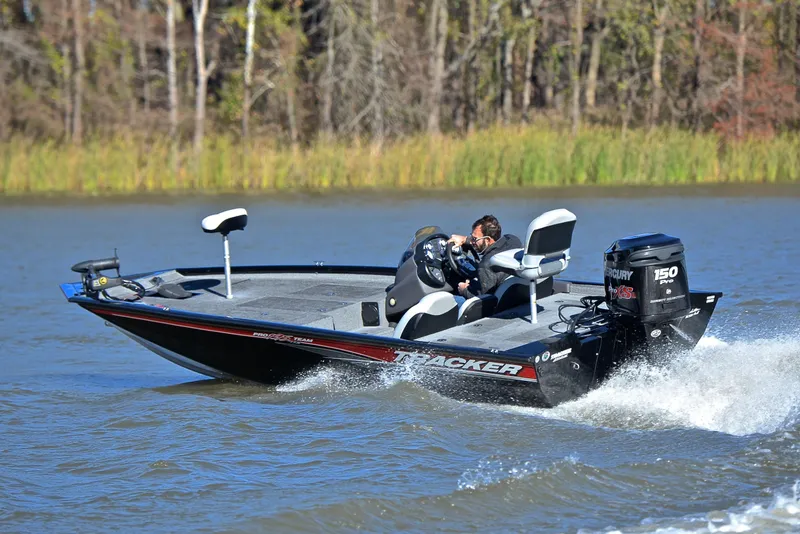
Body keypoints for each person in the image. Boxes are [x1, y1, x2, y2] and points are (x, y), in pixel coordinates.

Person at [448, 214, 522, 299]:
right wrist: (465, 239)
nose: (472, 241)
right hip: (516, 291)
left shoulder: (486, 265)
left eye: (474, 239)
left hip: (498, 304)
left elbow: (483, 298)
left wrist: (464, 289)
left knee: (453, 299)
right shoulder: (512, 240)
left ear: (488, 240)